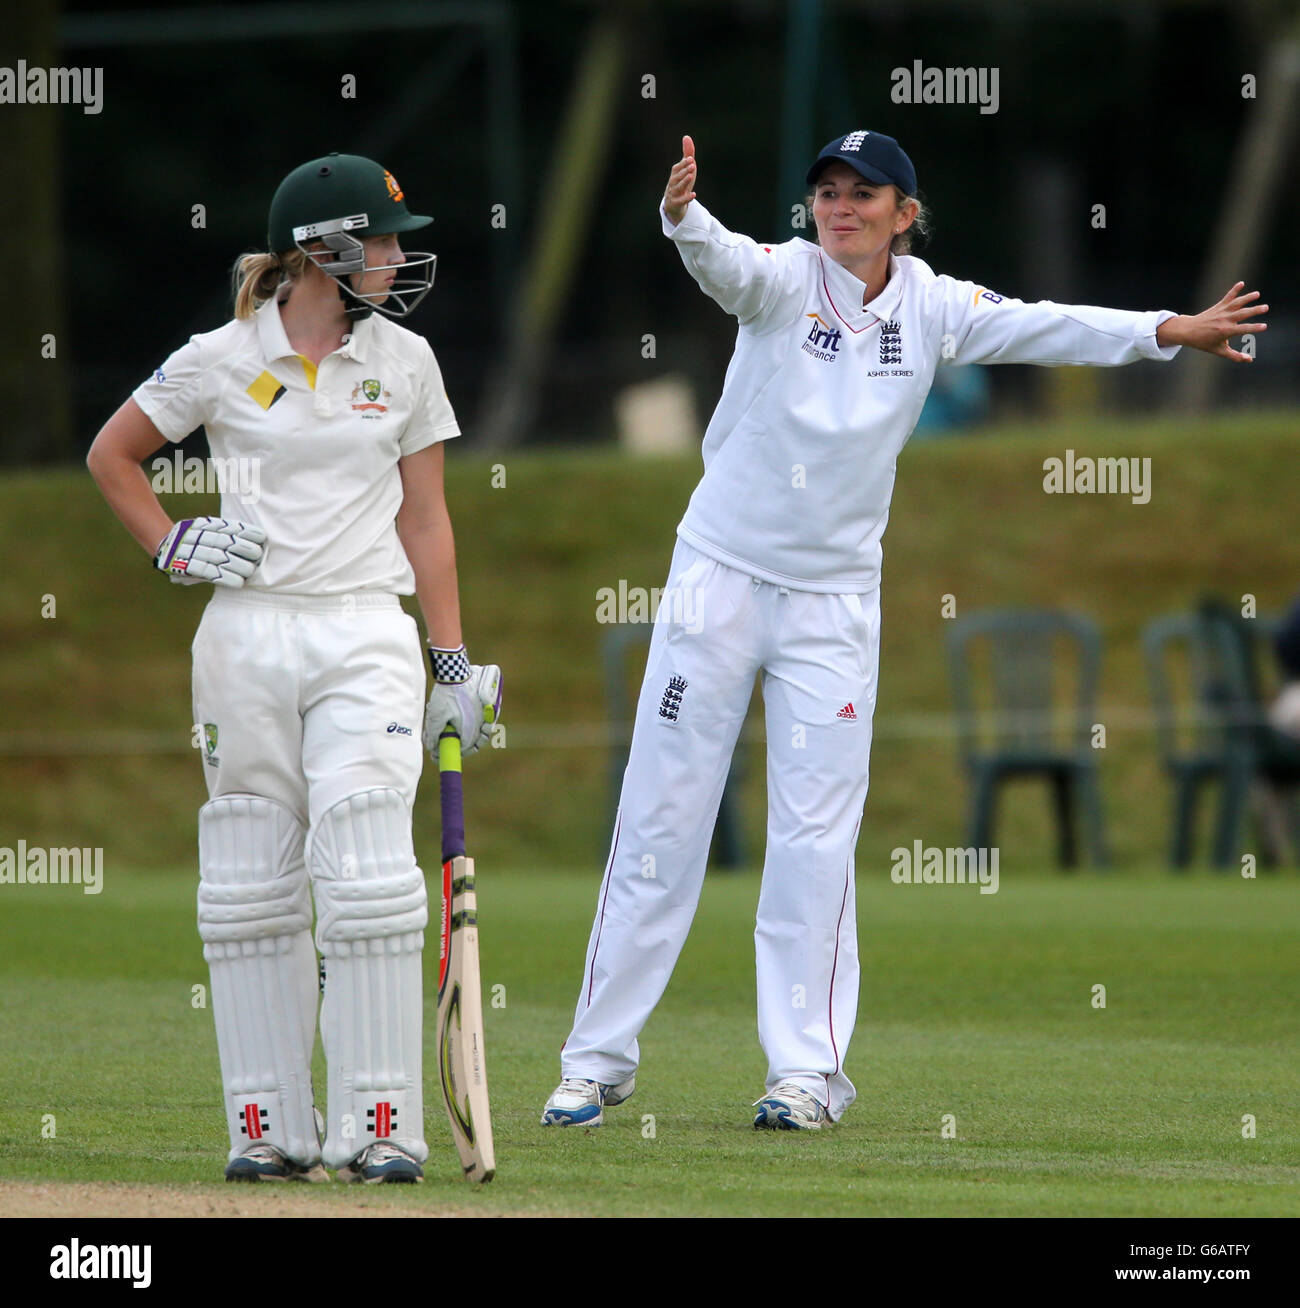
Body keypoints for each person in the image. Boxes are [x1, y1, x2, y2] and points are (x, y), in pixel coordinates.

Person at [543, 130, 1267, 1131]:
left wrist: (1166, 330)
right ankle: (595, 1060)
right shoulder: (784, 279)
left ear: (904, 213)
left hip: (832, 602)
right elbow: (723, 263)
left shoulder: (930, 304)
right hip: (717, 576)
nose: (840, 207)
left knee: (813, 838)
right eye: (827, 192)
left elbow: (1041, 326)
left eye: (862, 195)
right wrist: (681, 216)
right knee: (663, 812)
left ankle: (804, 1073)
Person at [86, 153, 501, 1182]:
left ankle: (381, 1126)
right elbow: (112, 455)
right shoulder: (219, 357)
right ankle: (265, 1129)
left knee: (365, 868)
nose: (400, 259)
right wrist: (169, 544)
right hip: (246, 632)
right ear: (323, 251)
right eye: (385, 241)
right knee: (250, 881)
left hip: (364, 627)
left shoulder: (405, 361)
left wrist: (449, 661)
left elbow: (427, 519)